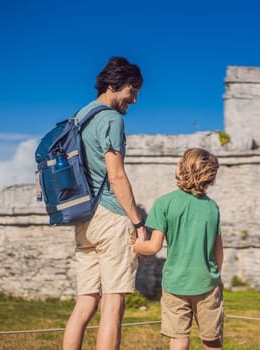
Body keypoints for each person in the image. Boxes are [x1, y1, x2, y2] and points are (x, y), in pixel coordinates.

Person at [62, 56, 147, 350]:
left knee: (85, 303)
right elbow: (117, 176)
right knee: (113, 303)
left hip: (84, 217)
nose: (134, 99)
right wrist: (138, 222)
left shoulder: (81, 115)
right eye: (131, 91)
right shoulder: (111, 118)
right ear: (114, 85)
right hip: (110, 217)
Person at [133, 148, 224, 350]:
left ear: (182, 169)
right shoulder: (212, 207)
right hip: (207, 282)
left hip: (175, 283)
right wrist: (216, 275)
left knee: (178, 339)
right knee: (212, 340)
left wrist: (135, 246)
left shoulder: (165, 203)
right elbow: (218, 250)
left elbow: (154, 246)